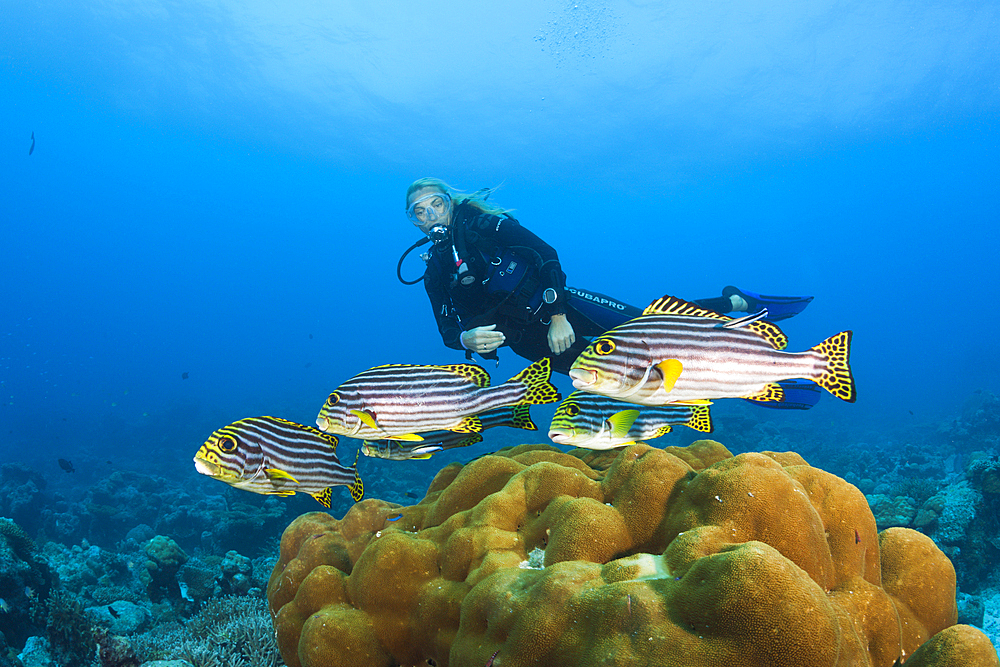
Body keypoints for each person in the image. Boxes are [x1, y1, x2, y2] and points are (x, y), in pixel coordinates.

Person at [401, 177, 813, 377]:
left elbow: (547, 255)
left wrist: (559, 312)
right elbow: (447, 329)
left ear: (449, 202)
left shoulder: (489, 226)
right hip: (525, 340)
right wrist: (465, 340)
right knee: (610, 376)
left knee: (653, 325)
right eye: (418, 212)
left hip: (560, 304)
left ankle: (735, 303)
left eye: (434, 203)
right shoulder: (434, 270)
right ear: (413, 222)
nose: (429, 215)